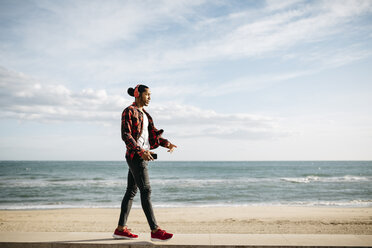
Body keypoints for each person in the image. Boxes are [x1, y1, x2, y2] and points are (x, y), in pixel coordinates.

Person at [113, 84, 177, 241]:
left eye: (150, 95)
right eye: (147, 94)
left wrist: (166, 143)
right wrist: (140, 151)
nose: (149, 97)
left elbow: (152, 137)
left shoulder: (146, 115)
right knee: (146, 190)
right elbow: (126, 135)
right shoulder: (129, 111)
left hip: (143, 155)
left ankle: (120, 229)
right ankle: (155, 231)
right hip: (136, 156)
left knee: (131, 191)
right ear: (137, 94)